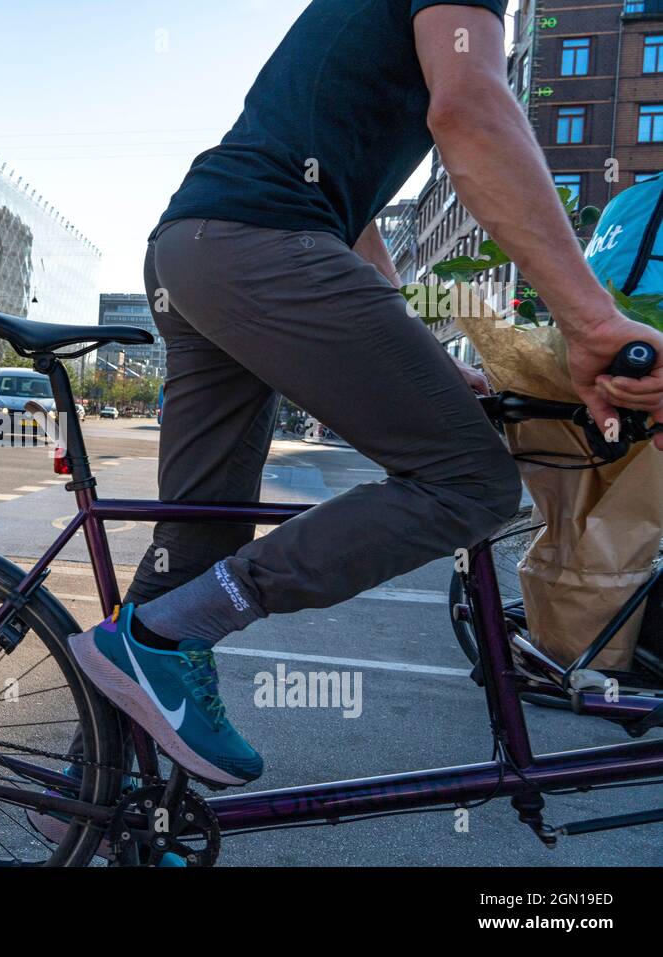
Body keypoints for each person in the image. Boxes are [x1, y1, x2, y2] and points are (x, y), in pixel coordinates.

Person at [67, 0, 663, 789]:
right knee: (473, 483)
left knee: (195, 546)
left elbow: (352, 218)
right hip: (262, 242)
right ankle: (169, 638)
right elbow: (470, 110)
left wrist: (427, 358)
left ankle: (85, 802)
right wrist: (590, 317)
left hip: (197, 245)